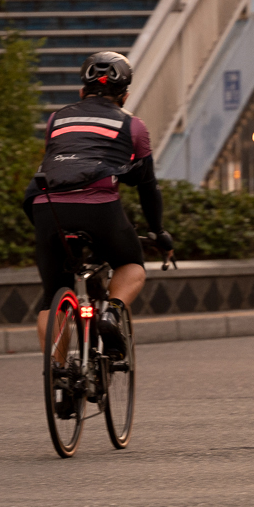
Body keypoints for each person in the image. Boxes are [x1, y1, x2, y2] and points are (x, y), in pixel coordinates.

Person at [27, 52, 173, 372]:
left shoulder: (56, 119)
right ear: (125, 96)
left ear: (82, 92)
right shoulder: (133, 126)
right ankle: (111, 313)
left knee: (52, 296)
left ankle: (60, 375)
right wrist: (158, 231)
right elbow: (148, 186)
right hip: (99, 208)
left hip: (46, 206)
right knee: (131, 264)